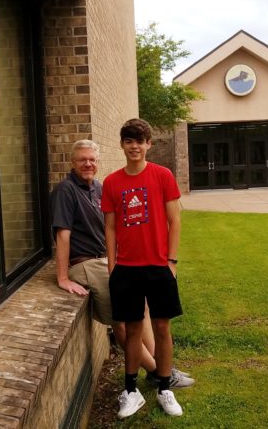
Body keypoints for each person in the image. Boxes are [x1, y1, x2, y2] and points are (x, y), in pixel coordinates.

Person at [50, 140, 193, 392]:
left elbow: (112, 227)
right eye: (82, 159)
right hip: (85, 262)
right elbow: (63, 235)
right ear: (72, 162)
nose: (88, 164)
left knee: (143, 311)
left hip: (105, 258)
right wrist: (62, 277)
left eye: (92, 159)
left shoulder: (98, 188)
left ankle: (162, 367)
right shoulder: (65, 190)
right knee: (123, 319)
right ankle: (160, 375)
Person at [101, 118, 185, 418]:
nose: (134, 146)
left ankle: (164, 388)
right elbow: (110, 228)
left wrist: (171, 261)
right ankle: (131, 391)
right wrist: (112, 266)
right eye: (129, 140)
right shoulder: (111, 182)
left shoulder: (162, 176)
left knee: (162, 326)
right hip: (126, 268)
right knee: (133, 328)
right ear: (122, 144)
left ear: (149, 144)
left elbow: (175, 220)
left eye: (140, 141)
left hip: (159, 266)